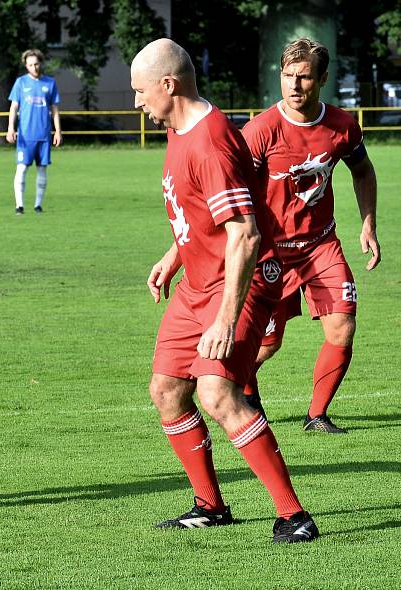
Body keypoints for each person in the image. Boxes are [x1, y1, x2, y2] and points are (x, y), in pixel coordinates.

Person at [131, 38, 318, 543]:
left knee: (217, 392)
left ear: (168, 85)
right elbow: (200, 212)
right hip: (198, 282)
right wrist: (175, 255)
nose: (137, 102)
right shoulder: (178, 129)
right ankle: (210, 506)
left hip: (242, 280)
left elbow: (246, 235)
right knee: (167, 390)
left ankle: (293, 516)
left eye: (140, 91)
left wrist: (225, 320)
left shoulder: (210, 140)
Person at [241, 38, 380, 434]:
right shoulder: (260, 131)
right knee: (267, 344)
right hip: (271, 255)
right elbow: (236, 195)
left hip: (321, 245)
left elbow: (364, 171)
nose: (295, 85)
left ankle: (316, 415)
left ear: (322, 79)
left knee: (343, 326)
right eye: (288, 76)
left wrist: (368, 222)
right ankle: (246, 392)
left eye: (304, 77)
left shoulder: (341, 126)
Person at [6, 49, 62, 215]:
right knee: (22, 169)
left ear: (40, 63)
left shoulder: (49, 83)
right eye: (30, 65)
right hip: (25, 136)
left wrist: (58, 131)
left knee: (42, 169)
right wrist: (10, 127)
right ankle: (19, 206)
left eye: (36, 64)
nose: (34, 67)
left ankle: (38, 205)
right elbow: (14, 107)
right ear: (26, 65)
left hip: (44, 136)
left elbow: (55, 109)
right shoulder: (21, 83)